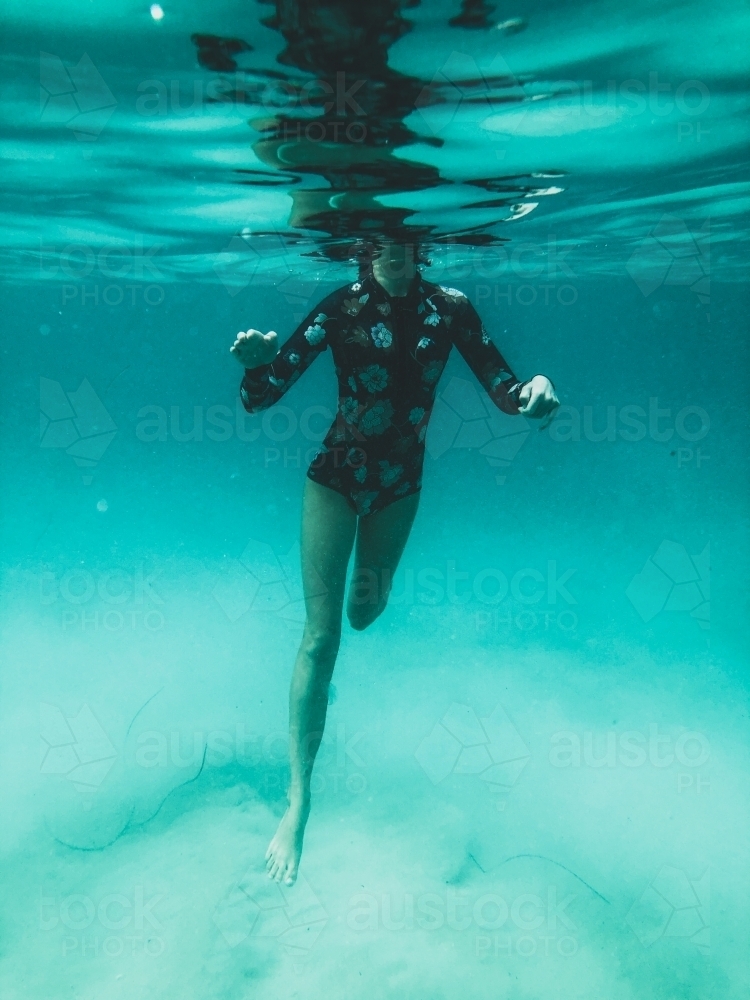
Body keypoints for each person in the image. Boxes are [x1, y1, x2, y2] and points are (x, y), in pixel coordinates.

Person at [230, 240, 559, 885]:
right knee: (321, 639)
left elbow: (506, 391)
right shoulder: (341, 306)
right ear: (363, 253)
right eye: (379, 244)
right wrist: (253, 365)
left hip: (400, 485)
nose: (391, 254)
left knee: (363, 614)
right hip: (334, 476)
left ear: (422, 249)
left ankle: (331, 668)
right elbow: (261, 396)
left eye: (403, 243)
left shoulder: (451, 308)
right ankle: (298, 806)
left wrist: (535, 397)